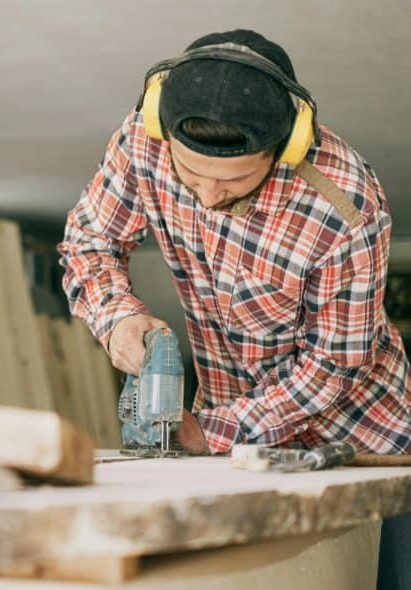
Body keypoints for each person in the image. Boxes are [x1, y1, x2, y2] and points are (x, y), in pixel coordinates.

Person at [57, 29, 411, 457]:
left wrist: (215, 432)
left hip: (360, 440)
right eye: (189, 173)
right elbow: (90, 242)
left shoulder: (345, 210)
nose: (207, 197)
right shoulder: (143, 141)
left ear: (285, 149)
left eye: (233, 181)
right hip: (228, 434)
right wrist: (117, 319)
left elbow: (333, 369)